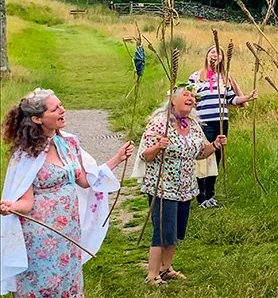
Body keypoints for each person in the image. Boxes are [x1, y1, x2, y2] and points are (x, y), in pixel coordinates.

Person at [0, 89, 133, 297]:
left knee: (67, 282)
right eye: (55, 109)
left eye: (61, 105)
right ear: (37, 119)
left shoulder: (69, 143)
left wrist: (116, 159)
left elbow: (84, 181)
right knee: (44, 284)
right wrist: (10, 207)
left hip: (68, 231)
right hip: (40, 235)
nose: (63, 110)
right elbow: (25, 202)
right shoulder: (26, 154)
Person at [133, 85, 228, 286]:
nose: (191, 98)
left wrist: (215, 145)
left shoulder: (193, 124)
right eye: (186, 94)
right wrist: (158, 147)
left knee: (175, 231)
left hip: (185, 187)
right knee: (162, 230)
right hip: (162, 187)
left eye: (193, 96)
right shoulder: (160, 123)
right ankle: (152, 274)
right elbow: (145, 155)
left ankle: (166, 269)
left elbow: (200, 153)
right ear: (173, 100)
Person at [189, 46, 257, 208]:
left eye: (218, 53)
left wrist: (248, 97)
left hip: (221, 122)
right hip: (203, 123)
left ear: (222, 59)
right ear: (207, 55)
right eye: (212, 51)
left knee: (216, 157)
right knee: (202, 157)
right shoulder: (195, 77)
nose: (215, 54)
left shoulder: (224, 78)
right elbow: (190, 98)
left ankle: (210, 194)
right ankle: (201, 196)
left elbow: (232, 99)